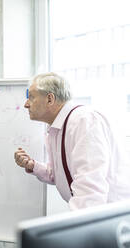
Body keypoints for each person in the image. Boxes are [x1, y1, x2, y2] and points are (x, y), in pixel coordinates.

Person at [14, 72, 130, 210]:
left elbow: (90, 187)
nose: (26, 104)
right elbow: (59, 175)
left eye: (31, 98)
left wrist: (76, 228)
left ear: (50, 99)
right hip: (100, 214)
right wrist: (33, 166)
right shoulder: (56, 128)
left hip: (111, 216)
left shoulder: (84, 121)